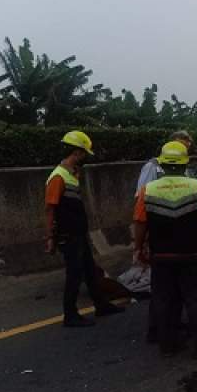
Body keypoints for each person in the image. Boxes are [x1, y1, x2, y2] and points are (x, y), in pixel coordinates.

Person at [133, 141, 197, 357]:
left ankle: (167, 344)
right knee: (195, 298)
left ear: (161, 164)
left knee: (163, 299)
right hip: (193, 253)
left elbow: (140, 223)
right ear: (186, 163)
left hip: (161, 255)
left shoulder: (147, 190)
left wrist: (138, 248)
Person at [45, 131, 124, 327]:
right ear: (77, 153)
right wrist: (50, 237)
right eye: (84, 154)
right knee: (74, 273)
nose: (86, 158)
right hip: (68, 234)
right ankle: (70, 315)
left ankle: (101, 305)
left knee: (89, 270)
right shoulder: (58, 177)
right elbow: (50, 208)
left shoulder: (71, 174)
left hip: (78, 232)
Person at [135, 130, 194, 194]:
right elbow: (141, 193)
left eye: (185, 148)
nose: (182, 149)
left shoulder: (184, 166)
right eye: (179, 145)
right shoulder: (152, 166)